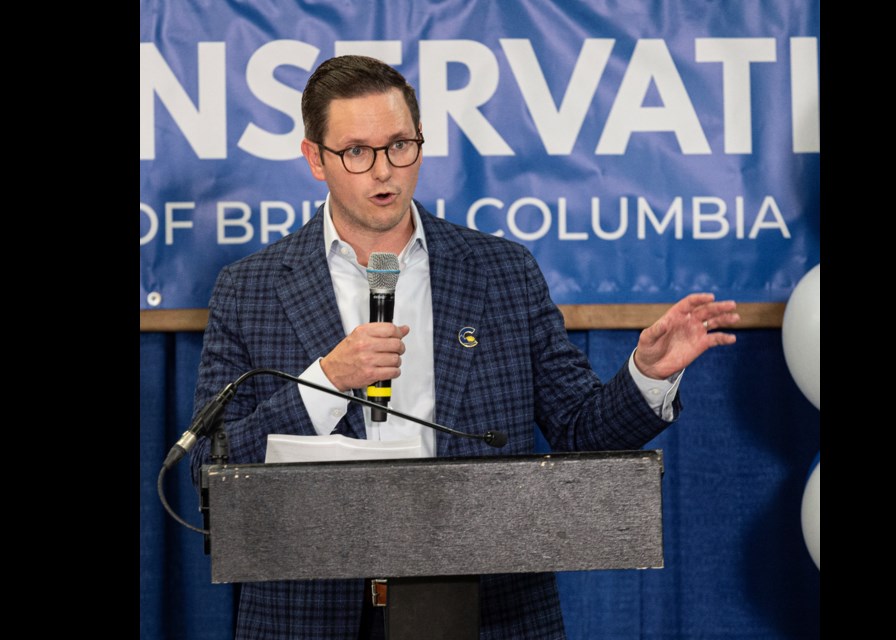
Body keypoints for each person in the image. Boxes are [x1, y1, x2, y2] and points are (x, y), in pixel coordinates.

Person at [191, 55, 739, 640]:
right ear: (315, 159)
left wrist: (646, 375)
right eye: (356, 152)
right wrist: (326, 382)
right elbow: (210, 469)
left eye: (400, 145)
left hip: (486, 609)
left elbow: (581, 432)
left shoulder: (501, 272)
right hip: (308, 614)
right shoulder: (249, 288)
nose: (384, 171)